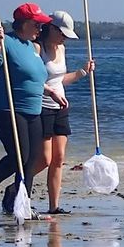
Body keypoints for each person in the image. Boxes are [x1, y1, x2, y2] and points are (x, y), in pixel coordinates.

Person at [0, 3, 52, 217]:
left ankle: (20, 203)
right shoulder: (5, 41)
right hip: (7, 108)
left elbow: (32, 77)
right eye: (37, 24)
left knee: (32, 160)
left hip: (33, 109)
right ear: (24, 23)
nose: (40, 29)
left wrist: (50, 91)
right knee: (20, 155)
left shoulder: (32, 47)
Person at [31, 11, 94, 215]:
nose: (65, 38)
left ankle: (53, 206)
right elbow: (31, 80)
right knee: (44, 159)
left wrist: (82, 72)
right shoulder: (37, 48)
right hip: (42, 106)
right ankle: (16, 187)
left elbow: (60, 80)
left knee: (59, 158)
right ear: (51, 28)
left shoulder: (62, 49)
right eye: (63, 33)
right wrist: (50, 93)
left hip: (61, 107)